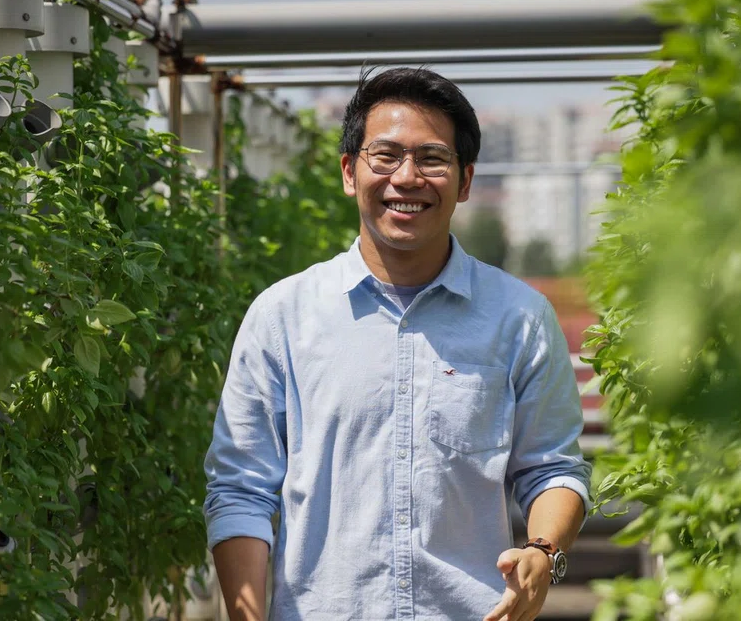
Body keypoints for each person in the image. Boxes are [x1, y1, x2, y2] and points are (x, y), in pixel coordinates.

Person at [204, 67, 592, 621]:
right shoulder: (283, 316)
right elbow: (242, 488)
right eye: (385, 156)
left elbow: (552, 468)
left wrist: (542, 551)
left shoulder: (519, 317)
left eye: (433, 159)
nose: (407, 178)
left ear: (464, 181)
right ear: (348, 172)